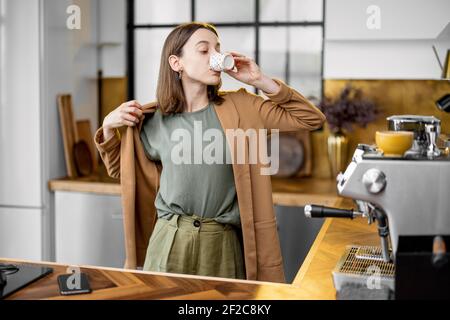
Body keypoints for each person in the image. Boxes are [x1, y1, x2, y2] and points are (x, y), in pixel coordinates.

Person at [95, 22, 326, 282]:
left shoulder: (242, 107)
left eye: (218, 49)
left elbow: (311, 119)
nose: (216, 57)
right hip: (169, 240)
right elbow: (121, 171)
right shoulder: (153, 120)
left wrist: (259, 80)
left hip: (223, 244)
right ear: (176, 63)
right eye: (204, 51)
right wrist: (107, 127)